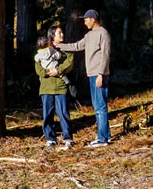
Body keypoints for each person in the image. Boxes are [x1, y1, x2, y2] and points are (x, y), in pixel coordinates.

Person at [54, 9, 111, 148]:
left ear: (93, 19)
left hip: (99, 75)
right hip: (92, 74)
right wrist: (61, 46)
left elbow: (105, 55)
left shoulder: (103, 34)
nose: (84, 22)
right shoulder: (89, 35)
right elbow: (77, 46)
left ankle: (103, 139)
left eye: (86, 20)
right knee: (97, 106)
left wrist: (101, 74)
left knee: (100, 107)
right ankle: (104, 136)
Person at [35, 26, 75, 149]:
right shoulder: (44, 47)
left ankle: (68, 138)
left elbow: (70, 62)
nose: (62, 34)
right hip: (46, 86)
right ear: (52, 35)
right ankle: (50, 139)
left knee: (63, 112)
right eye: (59, 32)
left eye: (62, 32)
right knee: (48, 114)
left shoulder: (66, 48)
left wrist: (58, 70)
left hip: (60, 85)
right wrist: (46, 73)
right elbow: (37, 65)